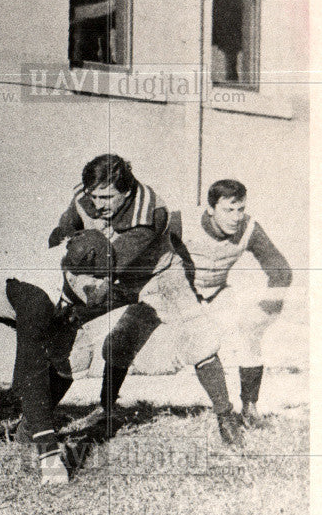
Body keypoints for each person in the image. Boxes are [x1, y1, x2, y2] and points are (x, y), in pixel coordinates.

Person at [47, 154, 243, 445]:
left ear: (127, 191)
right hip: (114, 275)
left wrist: (81, 267)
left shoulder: (150, 210)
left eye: (108, 197)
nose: (99, 204)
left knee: (199, 339)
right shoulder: (85, 197)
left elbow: (109, 264)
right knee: (80, 333)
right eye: (94, 196)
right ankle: (89, 411)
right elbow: (62, 233)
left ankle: (226, 417)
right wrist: (66, 243)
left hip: (158, 276)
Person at [97, 179, 292, 429]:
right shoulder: (180, 221)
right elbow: (143, 247)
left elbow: (282, 271)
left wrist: (266, 312)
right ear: (210, 209)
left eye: (240, 209)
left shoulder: (250, 228)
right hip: (173, 291)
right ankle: (107, 407)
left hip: (214, 293)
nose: (236, 217)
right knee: (122, 337)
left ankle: (249, 409)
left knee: (249, 334)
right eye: (228, 210)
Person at [0, 231, 115, 484]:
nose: (104, 284)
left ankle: (29, 430)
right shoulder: (36, 298)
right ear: (71, 274)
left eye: (107, 276)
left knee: (78, 354)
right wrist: (49, 454)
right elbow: (31, 373)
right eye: (96, 278)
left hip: (20, 289)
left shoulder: (80, 268)